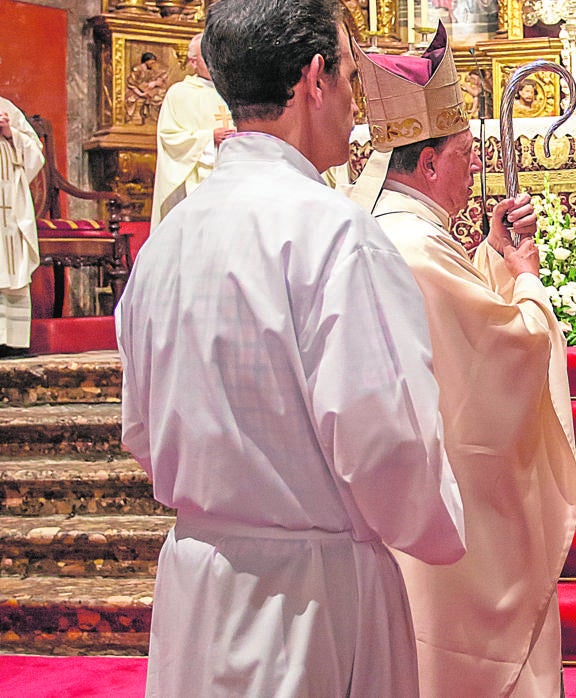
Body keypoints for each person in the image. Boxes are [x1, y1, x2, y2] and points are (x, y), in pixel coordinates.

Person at [116, 1, 465, 695]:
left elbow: (141, 431)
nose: (354, 101)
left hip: (200, 582)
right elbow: (385, 442)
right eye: (350, 75)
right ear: (314, 79)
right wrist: (446, 528)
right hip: (313, 597)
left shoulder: (169, 241)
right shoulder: (335, 234)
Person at [351, 25, 576, 697]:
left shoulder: (384, 226)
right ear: (426, 165)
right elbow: (505, 347)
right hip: (440, 496)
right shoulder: (416, 247)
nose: (472, 168)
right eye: (464, 154)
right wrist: (527, 279)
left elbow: (455, 317)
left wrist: (489, 253)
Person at [149, 33, 234, 228]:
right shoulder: (179, 94)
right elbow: (169, 137)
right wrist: (208, 138)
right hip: (198, 183)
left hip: (236, 176)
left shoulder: (234, 91)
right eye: (208, 57)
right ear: (193, 62)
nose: (215, 62)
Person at [0, 95, 44, 358]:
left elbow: (35, 154)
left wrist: (10, 133)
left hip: (9, 206)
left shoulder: (7, 108)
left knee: (12, 267)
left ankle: (13, 340)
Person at [124, 51, 169, 125]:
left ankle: (155, 119)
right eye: (151, 63)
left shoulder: (151, 70)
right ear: (146, 62)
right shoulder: (137, 70)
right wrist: (141, 94)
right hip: (135, 92)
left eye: (153, 63)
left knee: (160, 95)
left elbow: (158, 79)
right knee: (154, 97)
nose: (153, 65)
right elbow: (132, 84)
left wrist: (155, 83)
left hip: (146, 91)